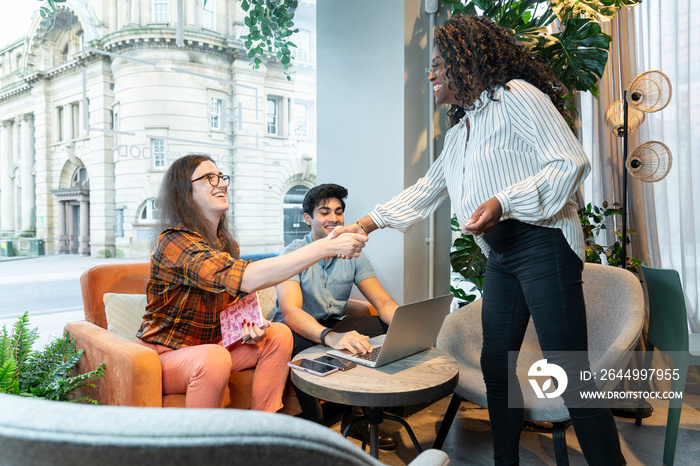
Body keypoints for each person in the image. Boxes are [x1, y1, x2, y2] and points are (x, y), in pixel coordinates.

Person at [334, 15, 624, 466]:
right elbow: (426, 190)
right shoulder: (458, 133)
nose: (430, 73)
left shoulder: (516, 97)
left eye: (438, 64)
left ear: (465, 59)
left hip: (544, 242)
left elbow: (570, 162)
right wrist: (366, 225)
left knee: (570, 373)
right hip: (504, 254)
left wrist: (502, 201)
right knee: (496, 365)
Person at [136, 154, 367, 412]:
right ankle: (202, 447)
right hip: (166, 354)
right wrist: (325, 247)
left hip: (213, 346)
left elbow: (234, 303)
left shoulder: (227, 246)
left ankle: (264, 425)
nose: (221, 183)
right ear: (184, 193)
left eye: (222, 177)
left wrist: (248, 326)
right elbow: (246, 278)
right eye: (209, 178)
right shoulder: (174, 241)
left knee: (278, 334)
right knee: (213, 358)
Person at [272, 183, 399, 449]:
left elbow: (383, 301)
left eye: (339, 212)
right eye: (324, 212)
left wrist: (406, 326)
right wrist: (331, 337)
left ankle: (357, 419)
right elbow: (291, 312)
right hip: (294, 329)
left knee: (382, 328)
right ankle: (315, 426)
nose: (334, 218)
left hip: (333, 323)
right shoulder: (292, 254)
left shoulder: (353, 254)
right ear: (308, 218)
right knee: (301, 343)